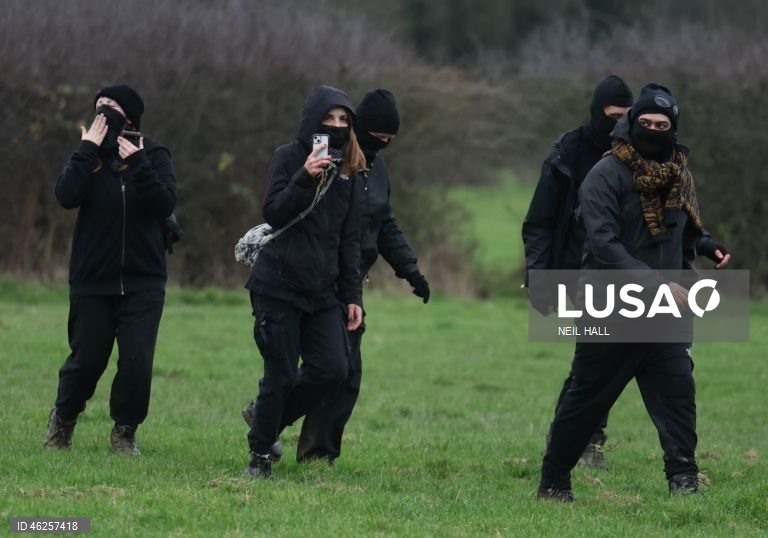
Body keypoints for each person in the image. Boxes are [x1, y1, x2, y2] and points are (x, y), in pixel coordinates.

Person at [523, 77, 730, 470]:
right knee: (590, 380)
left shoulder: (676, 173)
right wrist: (540, 278)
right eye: (631, 120)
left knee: (674, 382)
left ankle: (683, 474)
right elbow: (542, 223)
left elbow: (682, 224)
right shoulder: (575, 156)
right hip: (594, 281)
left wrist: (704, 244)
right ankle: (571, 456)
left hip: (661, 293)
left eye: (661, 125)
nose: (650, 131)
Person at [293, 89, 430, 463]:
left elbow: (384, 224)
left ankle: (313, 449)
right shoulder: (329, 162)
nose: (380, 146)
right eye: (375, 138)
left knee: (347, 375)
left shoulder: (378, 169)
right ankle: (271, 418)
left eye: (388, 141)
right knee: (333, 369)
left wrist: (410, 270)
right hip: (320, 278)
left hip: (352, 282)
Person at [44, 84, 176, 455]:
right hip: (92, 279)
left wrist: (138, 163)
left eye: (112, 105)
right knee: (87, 360)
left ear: (130, 116)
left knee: (136, 362)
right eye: (99, 104)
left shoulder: (155, 154)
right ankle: (63, 420)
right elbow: (65, 196)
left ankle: (124, 431)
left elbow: (164, 203)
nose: (103, 109)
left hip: (144, 281)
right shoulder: (87, 156)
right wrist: (85, 150)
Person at [243, 85, 366, 479]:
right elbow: (275, 213)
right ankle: (260, 456)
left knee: (333, 368)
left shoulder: (350, 171)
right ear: (311, 121)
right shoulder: (288, 157)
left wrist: (352, 297)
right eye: (328, 119)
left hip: (323, 292)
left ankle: (266, 420)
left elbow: (349, 241)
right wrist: (304, 177)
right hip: (277, 286)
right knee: (278, 374)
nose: (336, 126)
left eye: (344, 120)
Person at [523, 75, 633, 469]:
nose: (618, 124)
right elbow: (539, 222)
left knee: (603, 360)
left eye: (625, 116)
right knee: (594, 359)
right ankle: (582, 441)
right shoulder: (567, 153)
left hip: (623, 274)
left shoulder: (637, 154)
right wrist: (539, 279)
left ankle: (577, 438)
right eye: (612, 115)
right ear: (597, 111)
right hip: (576, 274)